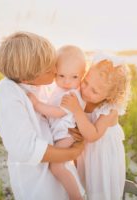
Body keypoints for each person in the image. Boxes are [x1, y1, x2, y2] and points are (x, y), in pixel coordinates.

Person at [0, 31, 84, 200]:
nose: (56, 70)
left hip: (61, 171)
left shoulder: (41, 84)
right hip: (39, 186)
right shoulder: (8, 94)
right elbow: (27, 149)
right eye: (50, 70)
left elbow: (57, 114)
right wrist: (72, 153)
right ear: (26, 78)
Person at [61, 54, 131, 200]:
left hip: (102, 156)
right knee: (84, 182)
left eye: (94, 91)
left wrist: (77, 110)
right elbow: (75, 123)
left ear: (110, 96)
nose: (86, 91)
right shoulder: (81, 97)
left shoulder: (109, 110)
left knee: (99, 187)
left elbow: (93, 135)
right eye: (85, 82)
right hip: (86, 153)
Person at [27, 45, 86, 200]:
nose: (67, 81)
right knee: (69, 166)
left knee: (56, 166)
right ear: (54, 72)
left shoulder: (72, 94)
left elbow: (58, 112)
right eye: (61, 75)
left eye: (74, 77)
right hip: (61, 133)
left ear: (82, 76)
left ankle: (76, 197)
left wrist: (37, 105)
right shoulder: (59, 90)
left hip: (66, 135)